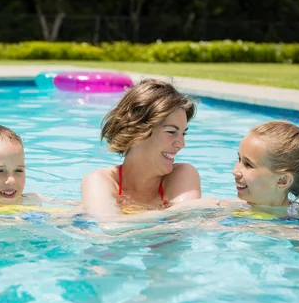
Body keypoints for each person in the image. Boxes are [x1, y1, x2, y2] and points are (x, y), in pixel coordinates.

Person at [80, 78, 207, 223]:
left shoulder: (182, 175)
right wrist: (187, 208)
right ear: (137, 131)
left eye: (183, 133)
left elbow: (181, 225)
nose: (181, 144)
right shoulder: (101, 180)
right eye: (171, 132)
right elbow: (110, 227)